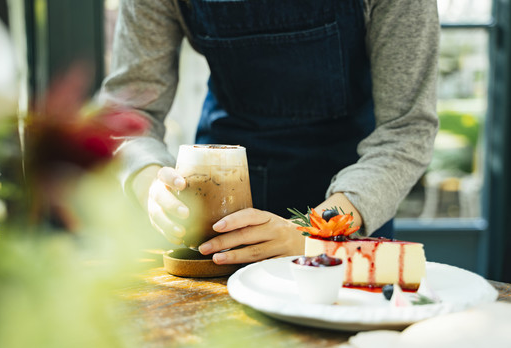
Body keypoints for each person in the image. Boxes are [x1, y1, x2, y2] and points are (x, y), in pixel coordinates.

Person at [99, 0, 440, 266]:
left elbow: (406, 129)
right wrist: (151, 188)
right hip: (217, 208)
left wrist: (312, 234)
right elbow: (128, 115)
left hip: (354, 203)